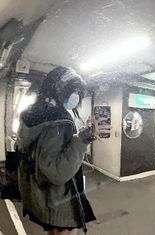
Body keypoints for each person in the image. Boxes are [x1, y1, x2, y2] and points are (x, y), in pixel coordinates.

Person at [16, 67, 96, 235]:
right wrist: (81, 140)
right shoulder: (57, 121)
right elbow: (56, 171)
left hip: (38, 194)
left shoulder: (30, 113)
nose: (76, 96)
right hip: (57, 200)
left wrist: (77, 136)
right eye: (73, 90)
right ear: (58, 88)